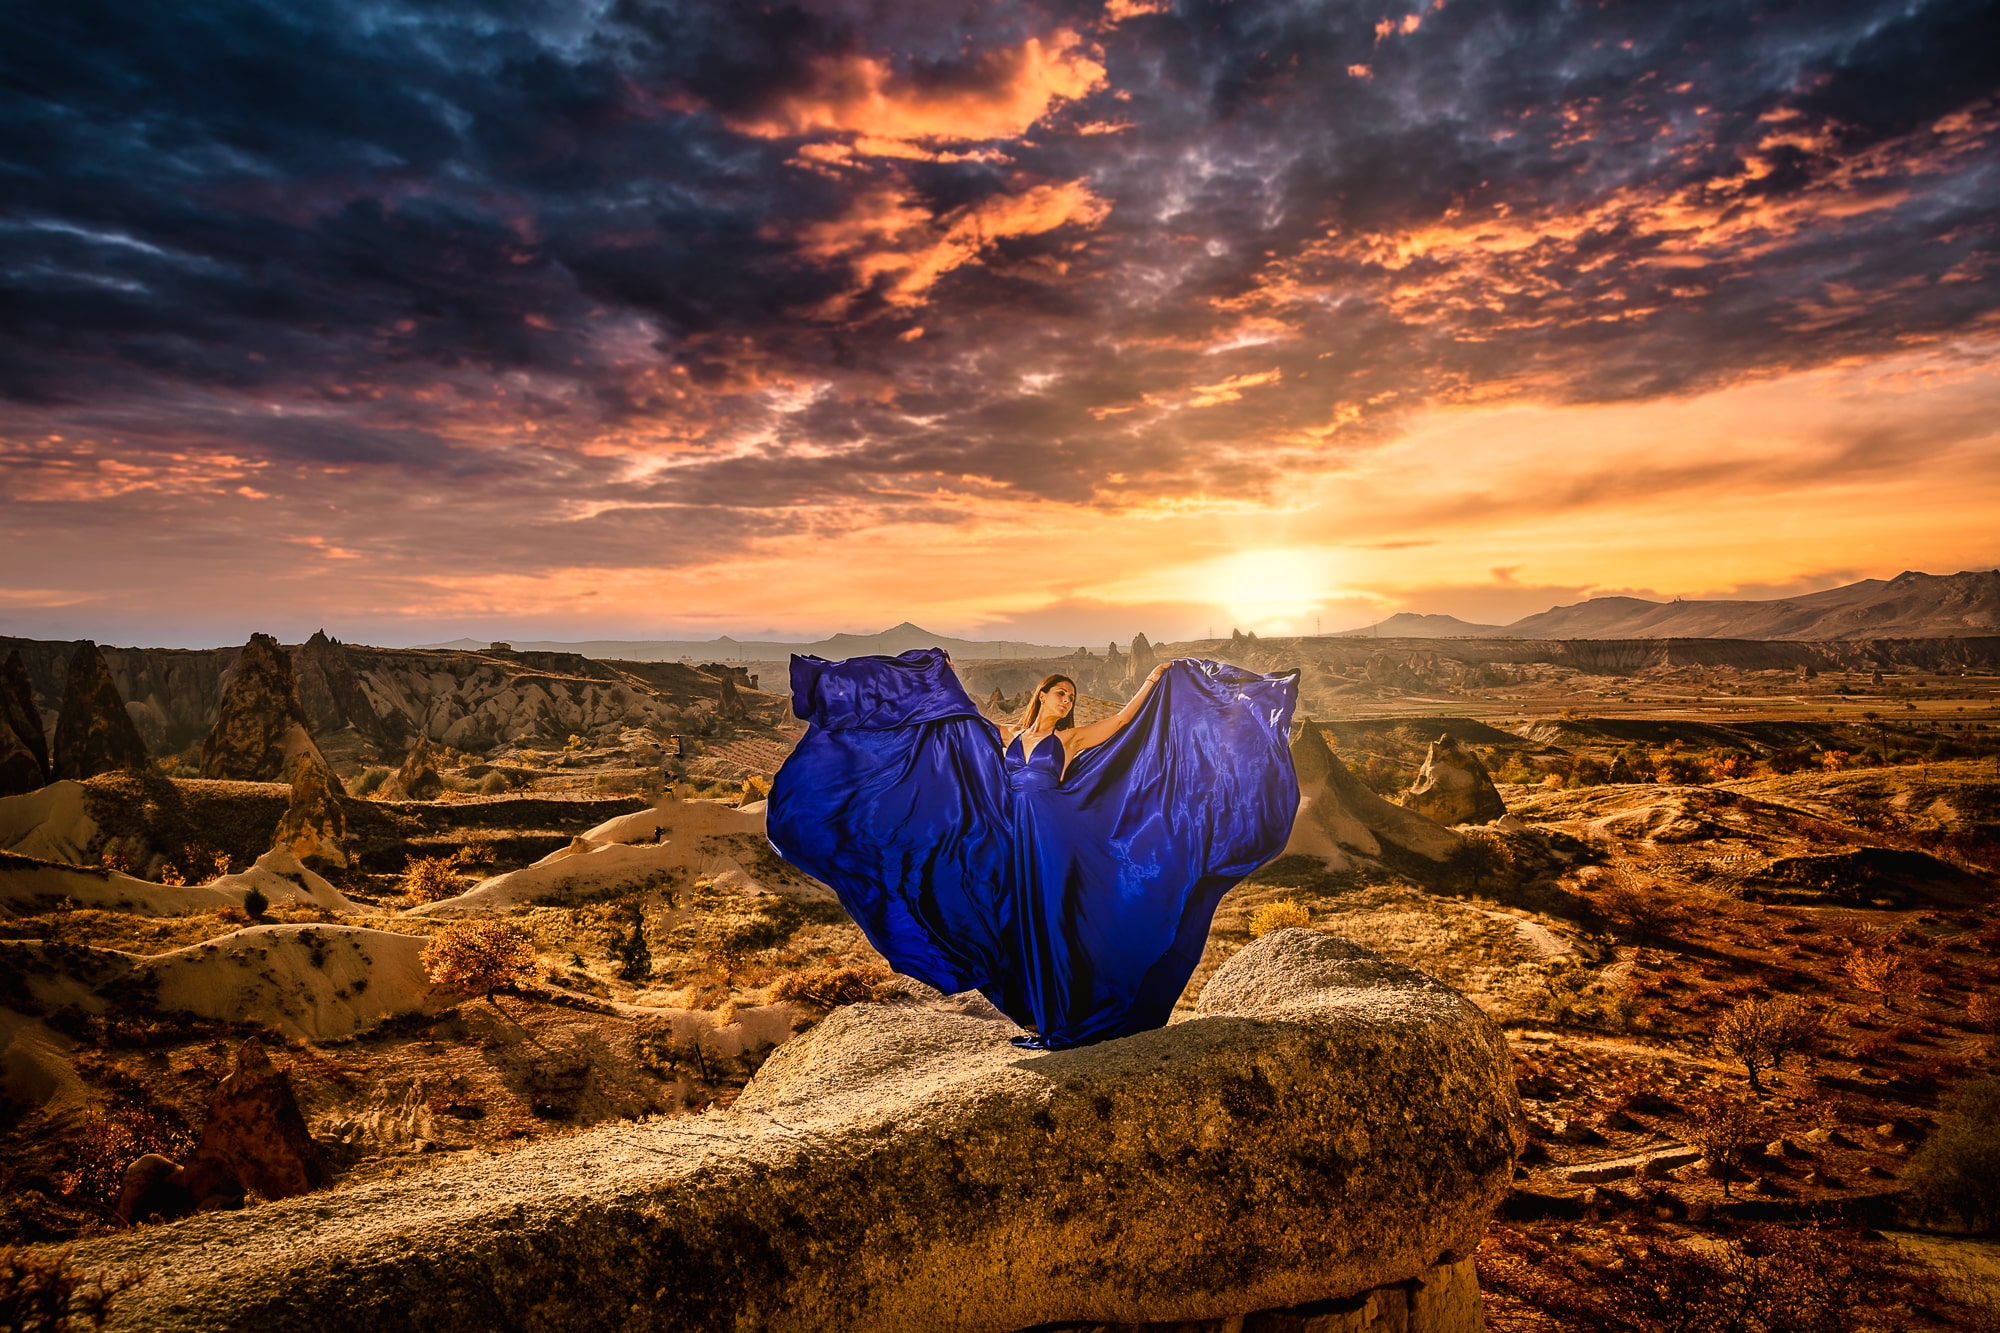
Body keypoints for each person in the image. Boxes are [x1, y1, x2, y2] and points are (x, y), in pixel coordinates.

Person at [768, 647, 1298, 1049]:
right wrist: (938, 675)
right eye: (1060, 693)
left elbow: (1124, 723)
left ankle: (1071, 1020)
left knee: (1057, 921)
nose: (1067, 702)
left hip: (1060, 833)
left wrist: (1154, 682)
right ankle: (1050, 1020)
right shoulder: (1006, 737)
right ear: (1042, 695)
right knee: (1028, 926)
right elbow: (959, 720)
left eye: (1071, 697)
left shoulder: (1067, 741)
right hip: (1019, 835)